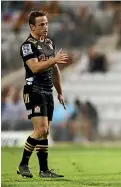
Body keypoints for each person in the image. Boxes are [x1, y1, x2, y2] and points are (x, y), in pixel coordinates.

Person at [17, 10, 68, 178]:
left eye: (46, 23)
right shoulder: (27, 45)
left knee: (45, 132)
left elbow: (54, 70)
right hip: (34, 90)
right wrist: (54, 60)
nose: (45, 27)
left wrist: (60, 92)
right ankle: (23, 164)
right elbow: (35, 67)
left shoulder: (49, 43)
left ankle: (44, 170)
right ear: (32, 26)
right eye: (41, 24)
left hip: (47, 91)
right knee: (41, 129)